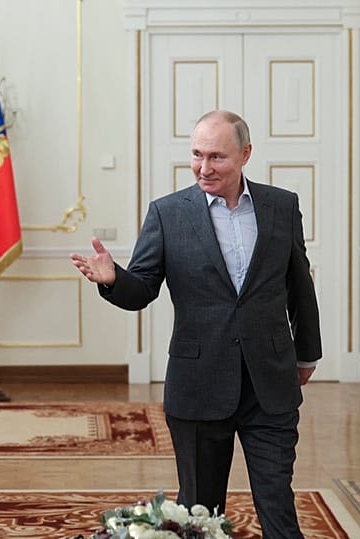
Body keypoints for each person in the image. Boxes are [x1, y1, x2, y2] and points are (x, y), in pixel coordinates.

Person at [71, 110, 321, 538]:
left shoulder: (283, 206)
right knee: (199, 515)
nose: (204, 168)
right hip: (198, 386)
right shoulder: (168, 214)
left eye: (217, 157)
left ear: (245, 154)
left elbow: (299, 285)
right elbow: (144, 287)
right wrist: (114, 279)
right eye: (197, 155)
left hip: (271, 383)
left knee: (278, 504)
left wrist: (306, 352)